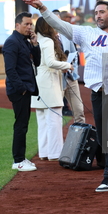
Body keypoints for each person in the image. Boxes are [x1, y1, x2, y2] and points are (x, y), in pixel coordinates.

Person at [24, 0, 108, 192]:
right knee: (105, 138)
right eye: (96, 13)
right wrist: (42, 8)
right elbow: (61, 25)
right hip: (98, 92)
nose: (98, 16)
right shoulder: (87, 33)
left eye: (102, 12)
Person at [3, 12, 41, 171]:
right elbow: (10, 70)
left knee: (23, 124)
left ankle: (21, 158)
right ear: (17, 25)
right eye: (26, 24)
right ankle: (18, 160)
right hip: (19, 90)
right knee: (20, 125)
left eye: (31, 24)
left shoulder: (25, 41)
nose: (29, 27)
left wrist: (35, 45)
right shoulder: (12, 42)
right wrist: (22, 89)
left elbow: (37, 62)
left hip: (24, 88)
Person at [31, 17, 73, 161]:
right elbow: (50, 62)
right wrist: (67, 65)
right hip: (49, 81)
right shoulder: (48, 41)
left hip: (38, 81)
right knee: (54, 120)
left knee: (42, 121)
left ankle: (44, 152)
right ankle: (55, 153)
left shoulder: (36, 41)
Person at [53, 10, 85, 123]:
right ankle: (57, 140)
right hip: (55, 79)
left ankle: (80, 139)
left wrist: (73, 70)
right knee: (55, 114)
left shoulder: (66, 35)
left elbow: (74, 53)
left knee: (79, 110)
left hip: (70, 77)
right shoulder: (44, 39)